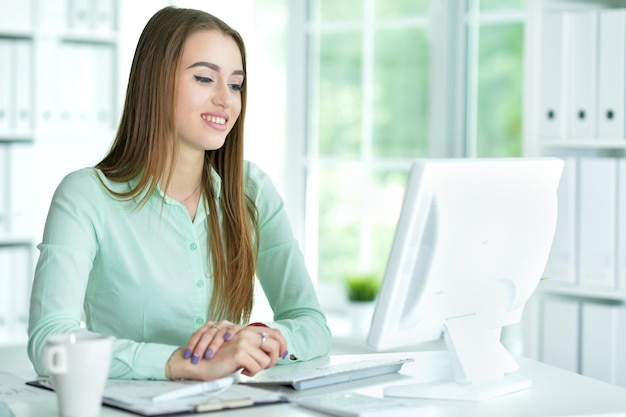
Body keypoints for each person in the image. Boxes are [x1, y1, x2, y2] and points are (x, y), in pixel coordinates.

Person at [27, 6, 331, 381]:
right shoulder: (86, 196)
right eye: (205, 78)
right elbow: (50, 342)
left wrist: (256, 340)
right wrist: (184, 362)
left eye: (235, 84)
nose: (226, 99)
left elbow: (312, 324)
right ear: (155, 81)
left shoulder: (251, 190)